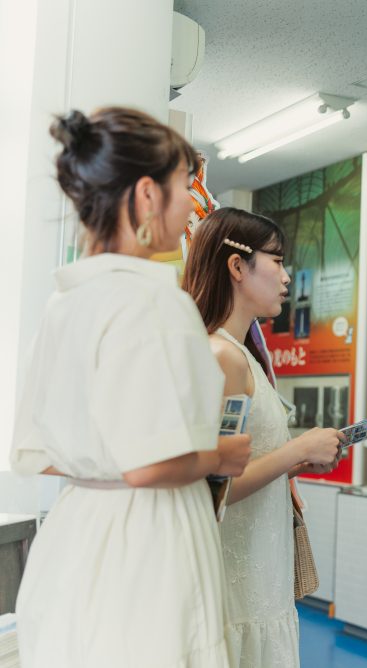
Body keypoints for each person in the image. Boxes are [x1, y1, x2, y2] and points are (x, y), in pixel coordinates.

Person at [10, 108, 252, 667]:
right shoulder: (155, 300)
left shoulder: (63, 305)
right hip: (149, 541)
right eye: (180, 188)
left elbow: (38, 454)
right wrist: (222, 454)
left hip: (72, 541)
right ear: (147, 196)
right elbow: (149, 464)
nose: (190, 206)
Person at [182, 207, 347, 668]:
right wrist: (296, 449)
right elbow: (215, 488)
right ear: (237, 267)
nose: (288, 277)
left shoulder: (242, 356)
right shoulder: (222, 357)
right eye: (276, 261)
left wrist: (297, 461)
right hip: (236, 584)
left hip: (261, 577)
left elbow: (237, 466)